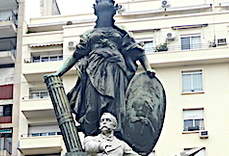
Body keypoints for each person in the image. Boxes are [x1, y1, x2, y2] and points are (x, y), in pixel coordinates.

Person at [51, 0, 155, 138]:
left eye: (107, 12)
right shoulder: (89, 34)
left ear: (113, 12)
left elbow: (138, 51)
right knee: (92, 107)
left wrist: (148, 68)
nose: (105, 15)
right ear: (97, 13)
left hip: (116, 71)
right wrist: (58, 73)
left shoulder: (120, 32)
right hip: (94, 70)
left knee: (116, 107)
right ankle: (91, 136)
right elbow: (75, 56)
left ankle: (116, 138)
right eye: (102, 13)